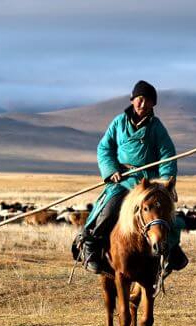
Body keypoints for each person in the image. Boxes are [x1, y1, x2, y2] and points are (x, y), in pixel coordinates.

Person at [73, 80, 188, 275]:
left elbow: (167, 154)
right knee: (109, 208)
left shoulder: (156, 127)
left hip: (147, 183)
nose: (143, 105)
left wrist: (167, 181)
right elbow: (105, 148)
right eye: (140, 99)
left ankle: (170, 251)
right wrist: (111, 170)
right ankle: (90, 245)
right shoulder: (118, 122)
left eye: (148, 101)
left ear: (153, 104)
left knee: (166, 216)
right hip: (123, 179)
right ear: (133, 100)